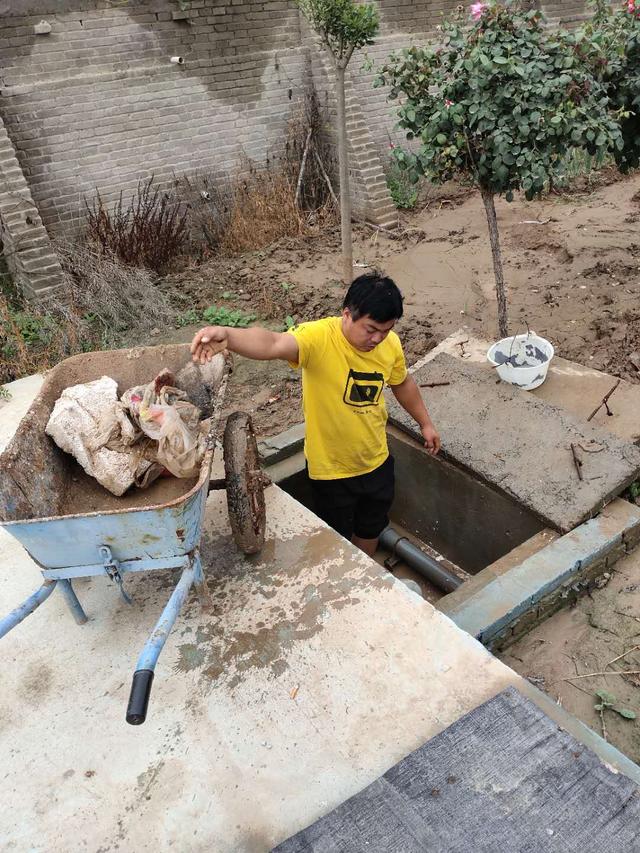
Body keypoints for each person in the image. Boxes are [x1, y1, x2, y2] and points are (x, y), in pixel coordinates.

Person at [191, 273, 440, 557]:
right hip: (331, 472)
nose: (377, 339)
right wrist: (230, 335)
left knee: (370, 527)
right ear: (347, 314)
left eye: (385, 331)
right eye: (371, 329)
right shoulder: (318, 338)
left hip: (376, 460)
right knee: (336, 536)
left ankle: (363, 571)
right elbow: (273, 343)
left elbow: (402, 383)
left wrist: (426, 423)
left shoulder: (390, 344)